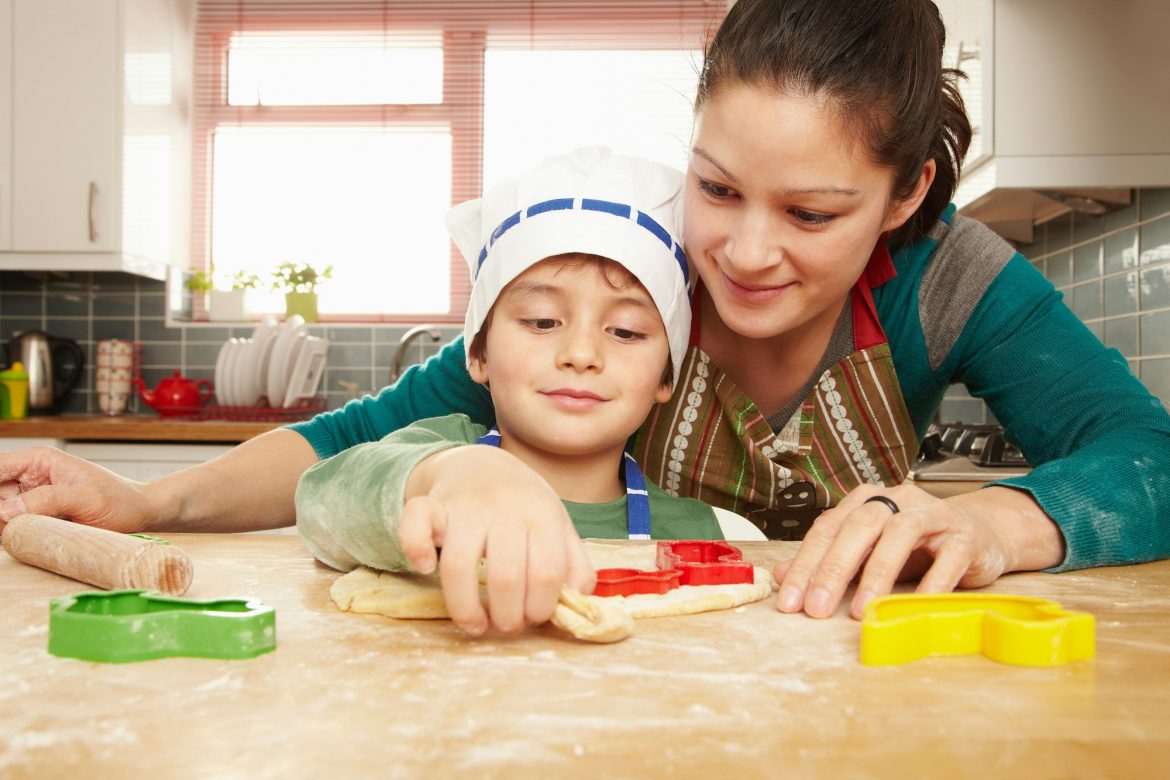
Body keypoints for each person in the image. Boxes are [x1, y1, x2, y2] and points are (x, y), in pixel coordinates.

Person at [2, 0, 1168, 628]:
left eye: (812, 211)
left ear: (905, 194)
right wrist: (145, 500)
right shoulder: (624, 278)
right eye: (717, 187)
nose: (744, 252)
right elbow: (358, 446)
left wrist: (1008, 525)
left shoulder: (954, 277)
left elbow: (1149, 455)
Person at [294, 147, 746, 635]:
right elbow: (321, 500)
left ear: (666, 378)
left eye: (626, 332)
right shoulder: (437, 461)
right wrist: (447, 474)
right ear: (478, 355)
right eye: (542, 321)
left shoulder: (707, 534)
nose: (581, 353)